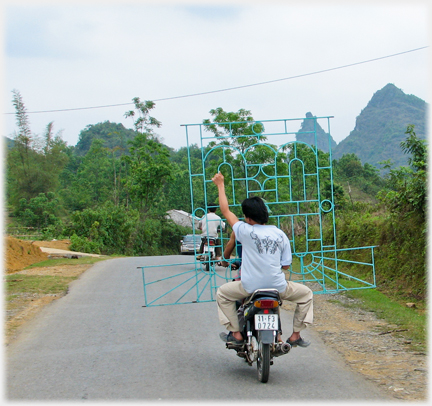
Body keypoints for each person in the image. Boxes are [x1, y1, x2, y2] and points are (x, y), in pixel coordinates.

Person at [212, 172, 313, 348]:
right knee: (306, 295)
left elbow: (225, 210)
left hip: (249, 287)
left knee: (222, 293)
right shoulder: (280, 234)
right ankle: (295, 335)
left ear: (248, 217)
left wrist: (220, 185)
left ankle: (236, 333)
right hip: (277, 287)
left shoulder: (244, 230)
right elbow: (286, 264)